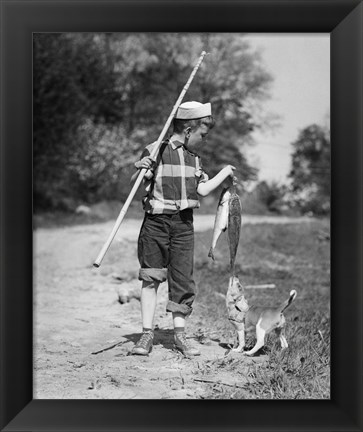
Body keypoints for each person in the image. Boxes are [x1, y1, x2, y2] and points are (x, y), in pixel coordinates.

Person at [131, 101, 235, 357]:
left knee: (182, 279)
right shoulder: (156, 150)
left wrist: (225, 173)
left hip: (183, 225)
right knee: (151, 276)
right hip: (155, 223)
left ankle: (179, 335)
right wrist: (141, 170)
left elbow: (201, 189)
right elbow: (136, 188)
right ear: (189, 130)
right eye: (203, 135)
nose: (205, 140)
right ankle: (146, 334)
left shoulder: (194, 159)